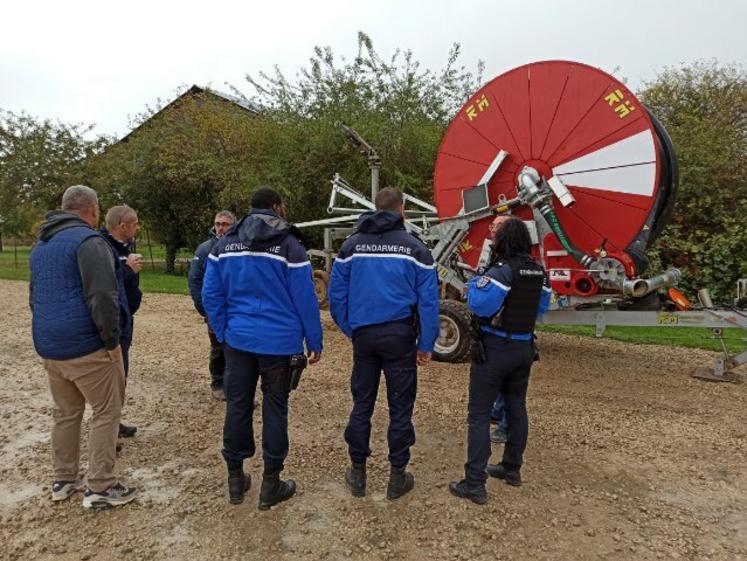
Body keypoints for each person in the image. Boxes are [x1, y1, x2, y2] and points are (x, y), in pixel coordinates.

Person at [202, 187, 322, 510]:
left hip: (238, 341)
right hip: (279, 344)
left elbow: (210, 293)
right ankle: (272, 484)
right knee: (275, 408)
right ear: (277, 207)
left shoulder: (224, 244)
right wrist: (315, 339)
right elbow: (305, 298)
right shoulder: (289, 246)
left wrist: (225, 329)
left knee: (238, 406)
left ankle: (236, 479)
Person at [29, 185, 138, 509]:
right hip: (87, 346)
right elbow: (104, 297)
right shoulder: (89, 242)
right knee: (106, 413)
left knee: (66, 414)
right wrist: (112, 342)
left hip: (51, 346)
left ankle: (63, 479)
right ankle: (101, 486)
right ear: (92, 209)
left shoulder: (41, 245)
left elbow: (34, 297)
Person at [328, 187, 439, 500]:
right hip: (400, 335)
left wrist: (352, 329)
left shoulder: (350, 246)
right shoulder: (416, 249)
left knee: (362, 403)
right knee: (400, 407)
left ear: (376, 209)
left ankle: (358, 472)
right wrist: (426, 343)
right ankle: (397, 476)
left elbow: (337, 296)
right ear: (401, 210)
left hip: (364, 335)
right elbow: (429, 302)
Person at [449, 216, 551, 504]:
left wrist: (475, 287)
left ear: (503, 240)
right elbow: (542, 307)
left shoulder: (501, 271)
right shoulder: (538, 272)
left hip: (495, 348)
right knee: (517, 406)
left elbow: (479, 305)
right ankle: (511, 467)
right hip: (523, 349)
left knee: (479, 414)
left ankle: (474, 482)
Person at [101, 205, 143, 438]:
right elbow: (108, 285)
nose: (137, 226)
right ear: (122, 225)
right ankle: (108, 433)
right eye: (135, 223)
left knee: (121, 375)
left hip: (126, 319)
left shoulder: (125, 247)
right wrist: (128, 271)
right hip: (115, 323)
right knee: (113, 378)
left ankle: (114, 423)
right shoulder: (103, 248)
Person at [188, 210, 236, 401]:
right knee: (218, 348)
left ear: (233, 226)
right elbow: (194, 281)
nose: (220, 228)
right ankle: (217, 383)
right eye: (217, 224)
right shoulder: (204, 250)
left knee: (236, 350)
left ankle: (235, 387)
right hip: (214, 311)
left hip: (235, 310)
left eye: (225, 224)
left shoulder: (239, 247)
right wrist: (205, 311)